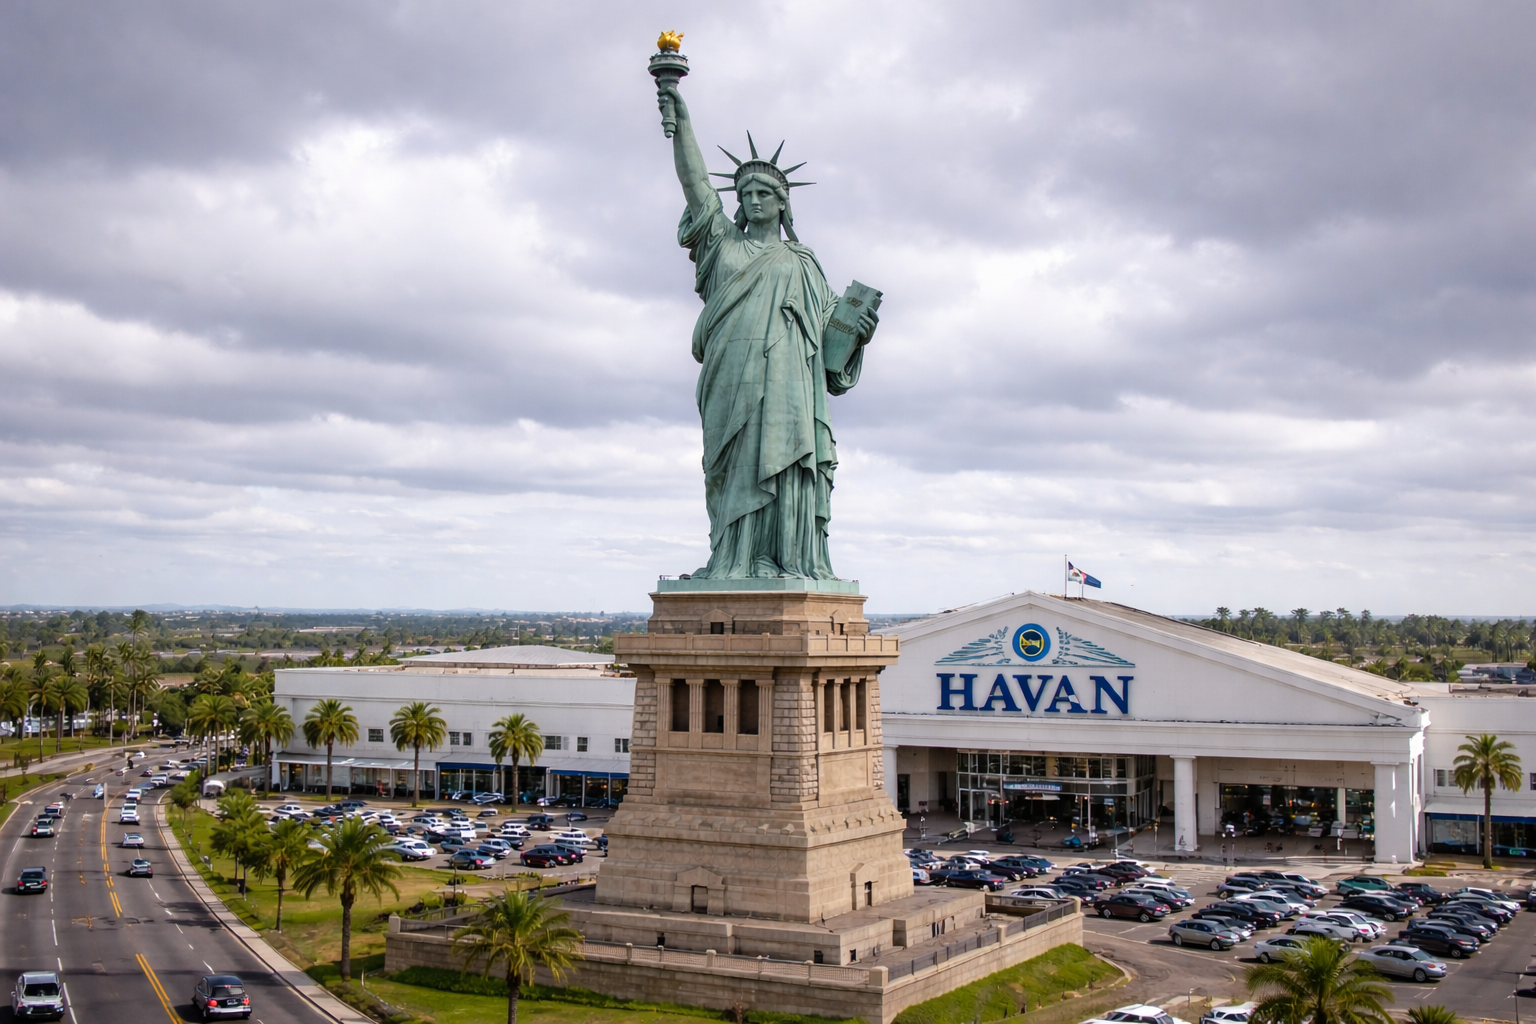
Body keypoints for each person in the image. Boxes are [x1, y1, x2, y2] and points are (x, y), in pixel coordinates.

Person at [656, 80, 878, 579]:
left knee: (785, 463)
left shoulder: (803, 262)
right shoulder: (722, 245)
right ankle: (730, 558)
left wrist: (857, 328)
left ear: (783, 204)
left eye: (764, 194)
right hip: (729, 375)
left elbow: (828, 343)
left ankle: (785, 558)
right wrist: (680, 119)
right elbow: (695, 186)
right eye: (746, 193)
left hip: (788, 385)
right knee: (727, 467)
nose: (754, 200)